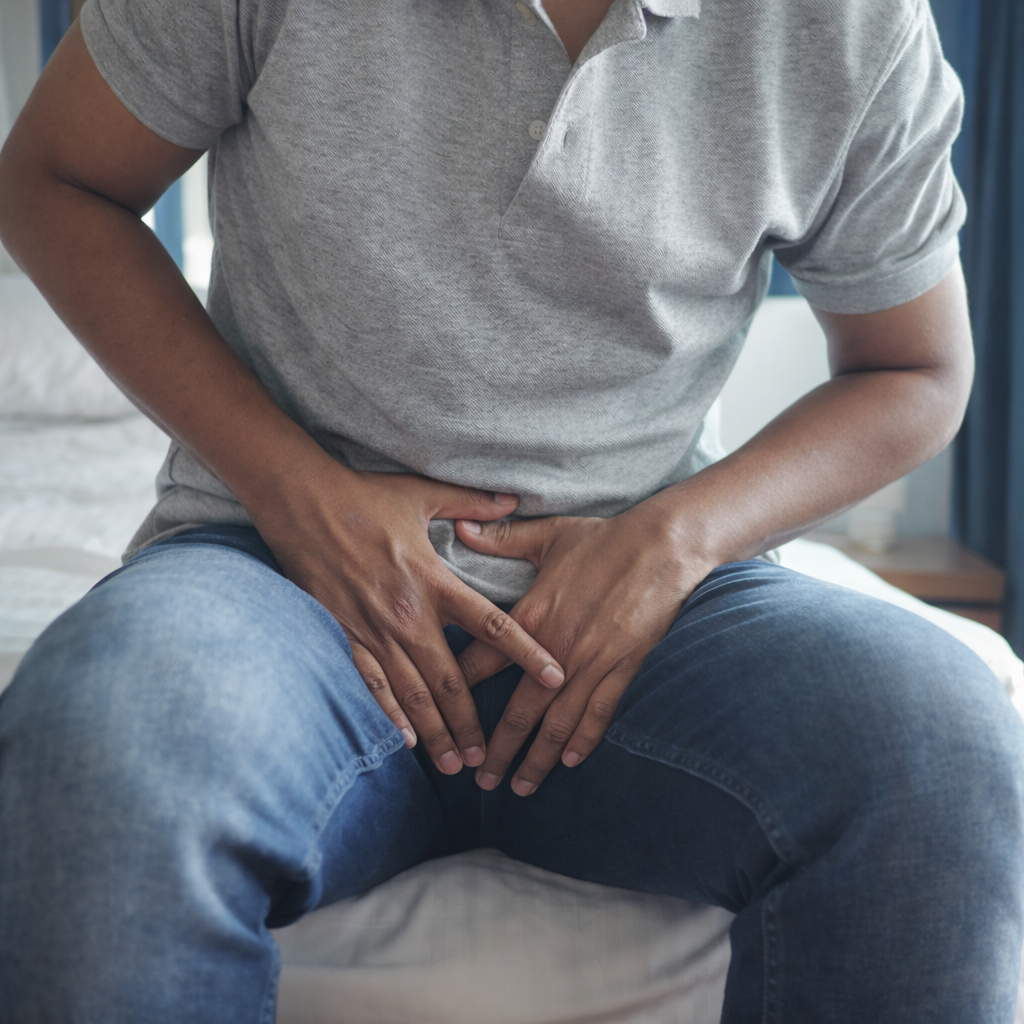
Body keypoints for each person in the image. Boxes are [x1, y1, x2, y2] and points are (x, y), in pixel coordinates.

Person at [0, 0, 1022, 1019]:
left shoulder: (849, 23)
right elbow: (53, 180)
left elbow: (918, 370)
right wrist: (297, 495)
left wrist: (677, 538)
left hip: (656, 629)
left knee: (935, 749)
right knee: (104, 742)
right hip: (281, 585)